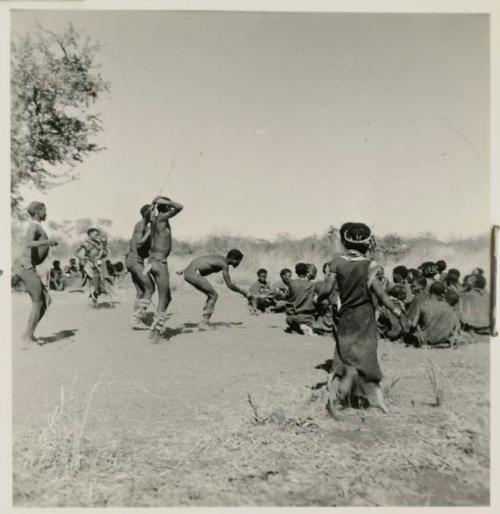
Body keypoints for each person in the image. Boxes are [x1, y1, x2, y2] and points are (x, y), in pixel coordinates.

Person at [317, 222, 403, 413]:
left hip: (345, 315)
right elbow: (381, 295)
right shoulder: (370, 266)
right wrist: (396, 311)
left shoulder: (336, 262)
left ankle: (338, 390)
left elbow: (327, 289)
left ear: (344, 243)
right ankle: (374, 397)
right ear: (367, 244)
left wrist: (318, 297)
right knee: (366, 354)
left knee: (344, 352)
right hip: (365, 316)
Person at [12, 201, 58, 347]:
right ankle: (27, 338)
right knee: (38, 302)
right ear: (38, 211)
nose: (46, 213)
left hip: (27, 267)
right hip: (25, 267)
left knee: (46, 300)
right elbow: (29, 243)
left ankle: (28, 334)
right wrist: (47, 242)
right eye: (44, 210)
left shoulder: (37, 226)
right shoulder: (34, 226)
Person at [183, 250, 251, 329]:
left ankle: (205, 320)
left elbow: (202, 261)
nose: (239, 263)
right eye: (238, 261)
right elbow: (229, 285)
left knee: (211, 295)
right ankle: (204, 322)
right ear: (233, 259)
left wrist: (186, 269)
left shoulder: (220, 258)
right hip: (192, 273)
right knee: (214, 295)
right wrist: (244, 293)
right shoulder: (224, 264)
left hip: (189, 272)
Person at [147, 196, 183, 338]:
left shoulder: (154, 219)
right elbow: (180, 206)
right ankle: (155, 332)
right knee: (164, 298)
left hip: (151, 261)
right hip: (160, 262)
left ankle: (155, 327)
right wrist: (164, 202)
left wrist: (156, 203)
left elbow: (149, 212)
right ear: (167, 208)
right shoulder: (162, 218)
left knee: (166, 297)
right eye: (168, 206)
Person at [125, 204, 156, 329]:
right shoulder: (141, 225)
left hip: (133, 261)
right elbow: (139, 243)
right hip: (134, 261)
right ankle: (137, 319)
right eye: (153, 212)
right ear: (146, 214)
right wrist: (150, 231)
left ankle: (137, 318)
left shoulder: (143, 225)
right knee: (150, 288)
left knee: (140, 292)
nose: (155, 214)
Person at [407, 282, 462, 347]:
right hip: (442, 339)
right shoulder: (448, 308)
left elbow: (413, 325)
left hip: (424, 339)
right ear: (442, 293)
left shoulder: (422, 305)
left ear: (430, 290)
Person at [76, 227, 109, 306]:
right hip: (89, 263)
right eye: (95, 234)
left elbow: (101, 251)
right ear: (90, 234)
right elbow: (76, 252)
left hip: (97, 263)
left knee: (98, 281)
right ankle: (93, 299)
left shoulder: (98, 243)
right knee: (92, 281)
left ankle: (95, 299)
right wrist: (82, 258)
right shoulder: (84, 243)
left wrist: (98, 257)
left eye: (97, 234)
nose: (97, 236)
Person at [284, 262, 318, 335]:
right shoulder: (312, 285)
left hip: (291, 317)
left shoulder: (291, 283)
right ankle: (304, 326)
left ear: (296, 272)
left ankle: (295, 326)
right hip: (306, 317)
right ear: (306, 272)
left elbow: (288, 296)